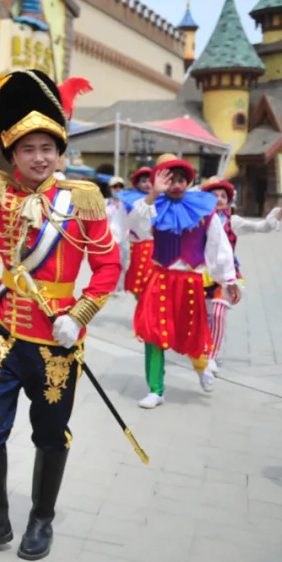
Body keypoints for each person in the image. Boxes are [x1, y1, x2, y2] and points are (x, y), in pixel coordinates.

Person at [0, 64, 121, 562]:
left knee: (50, 432)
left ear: (61, 152)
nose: (39, 157)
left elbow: (108, 268)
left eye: (47, 148)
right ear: (13, 154)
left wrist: (79, 315)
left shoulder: (83, 201)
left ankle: (42, 518)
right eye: (27, 148)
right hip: (5, 335)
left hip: (59, 341)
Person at [127, 155, 241, 409]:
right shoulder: (153, 206)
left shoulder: (203, 209)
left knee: (191, 332)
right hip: (160, 280)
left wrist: (229, 279)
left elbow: (219, 246)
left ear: (188, 182)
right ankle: (155, 389)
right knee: (153, 334)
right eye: (170, 180)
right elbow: (136, 228)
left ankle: (202, 367)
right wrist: (153, 195)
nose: (176, 184)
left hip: (190, 282)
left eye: (181, 179)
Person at [198, 178, 282, 374]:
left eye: (223, 196)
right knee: (204, 316)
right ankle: (201, 349)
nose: (219, 200)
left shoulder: (232, 222)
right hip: (201, 274)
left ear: (229, 200)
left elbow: (262, 227)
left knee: (218, 313)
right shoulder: (198, 221)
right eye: (214, 196)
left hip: (226, 275)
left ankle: (212, 356)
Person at [118, 167, 154, 298]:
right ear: (137, 184)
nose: (148, 184)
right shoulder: (131, 200)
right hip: (139, 245)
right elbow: (122, 223)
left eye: (151, 181)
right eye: (144, 181)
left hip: (159, 246)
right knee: (140, 282)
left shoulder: (164, 199)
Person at [105, 176, 129, 295]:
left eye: (120, 186)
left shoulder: (128, 204)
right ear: (111, 188)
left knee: (123, 264)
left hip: (124, 237)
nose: (118, 189)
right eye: (115, 186)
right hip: (109, 239)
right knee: (110, 265)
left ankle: (120, 288)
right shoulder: (105, 203)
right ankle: (110, 287)